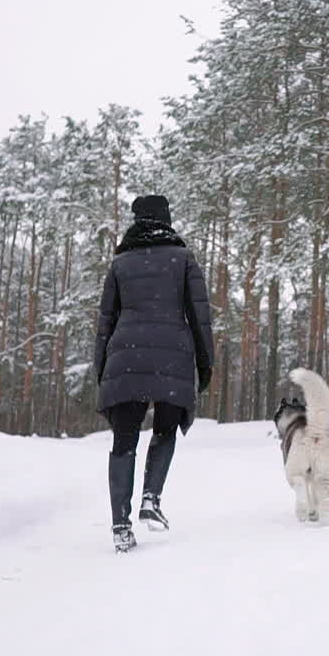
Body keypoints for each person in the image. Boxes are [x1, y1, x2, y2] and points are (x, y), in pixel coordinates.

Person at [95, 195, 213, 553]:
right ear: (166, 219)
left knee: (124, 442)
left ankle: (120, 525)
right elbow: (200, 316)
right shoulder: (183, 258)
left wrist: (102, 369)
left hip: (125, 356)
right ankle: (151, 497)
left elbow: (105, 322)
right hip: (172, 355)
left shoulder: (120, 263)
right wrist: (205, 365)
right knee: (164, 428)